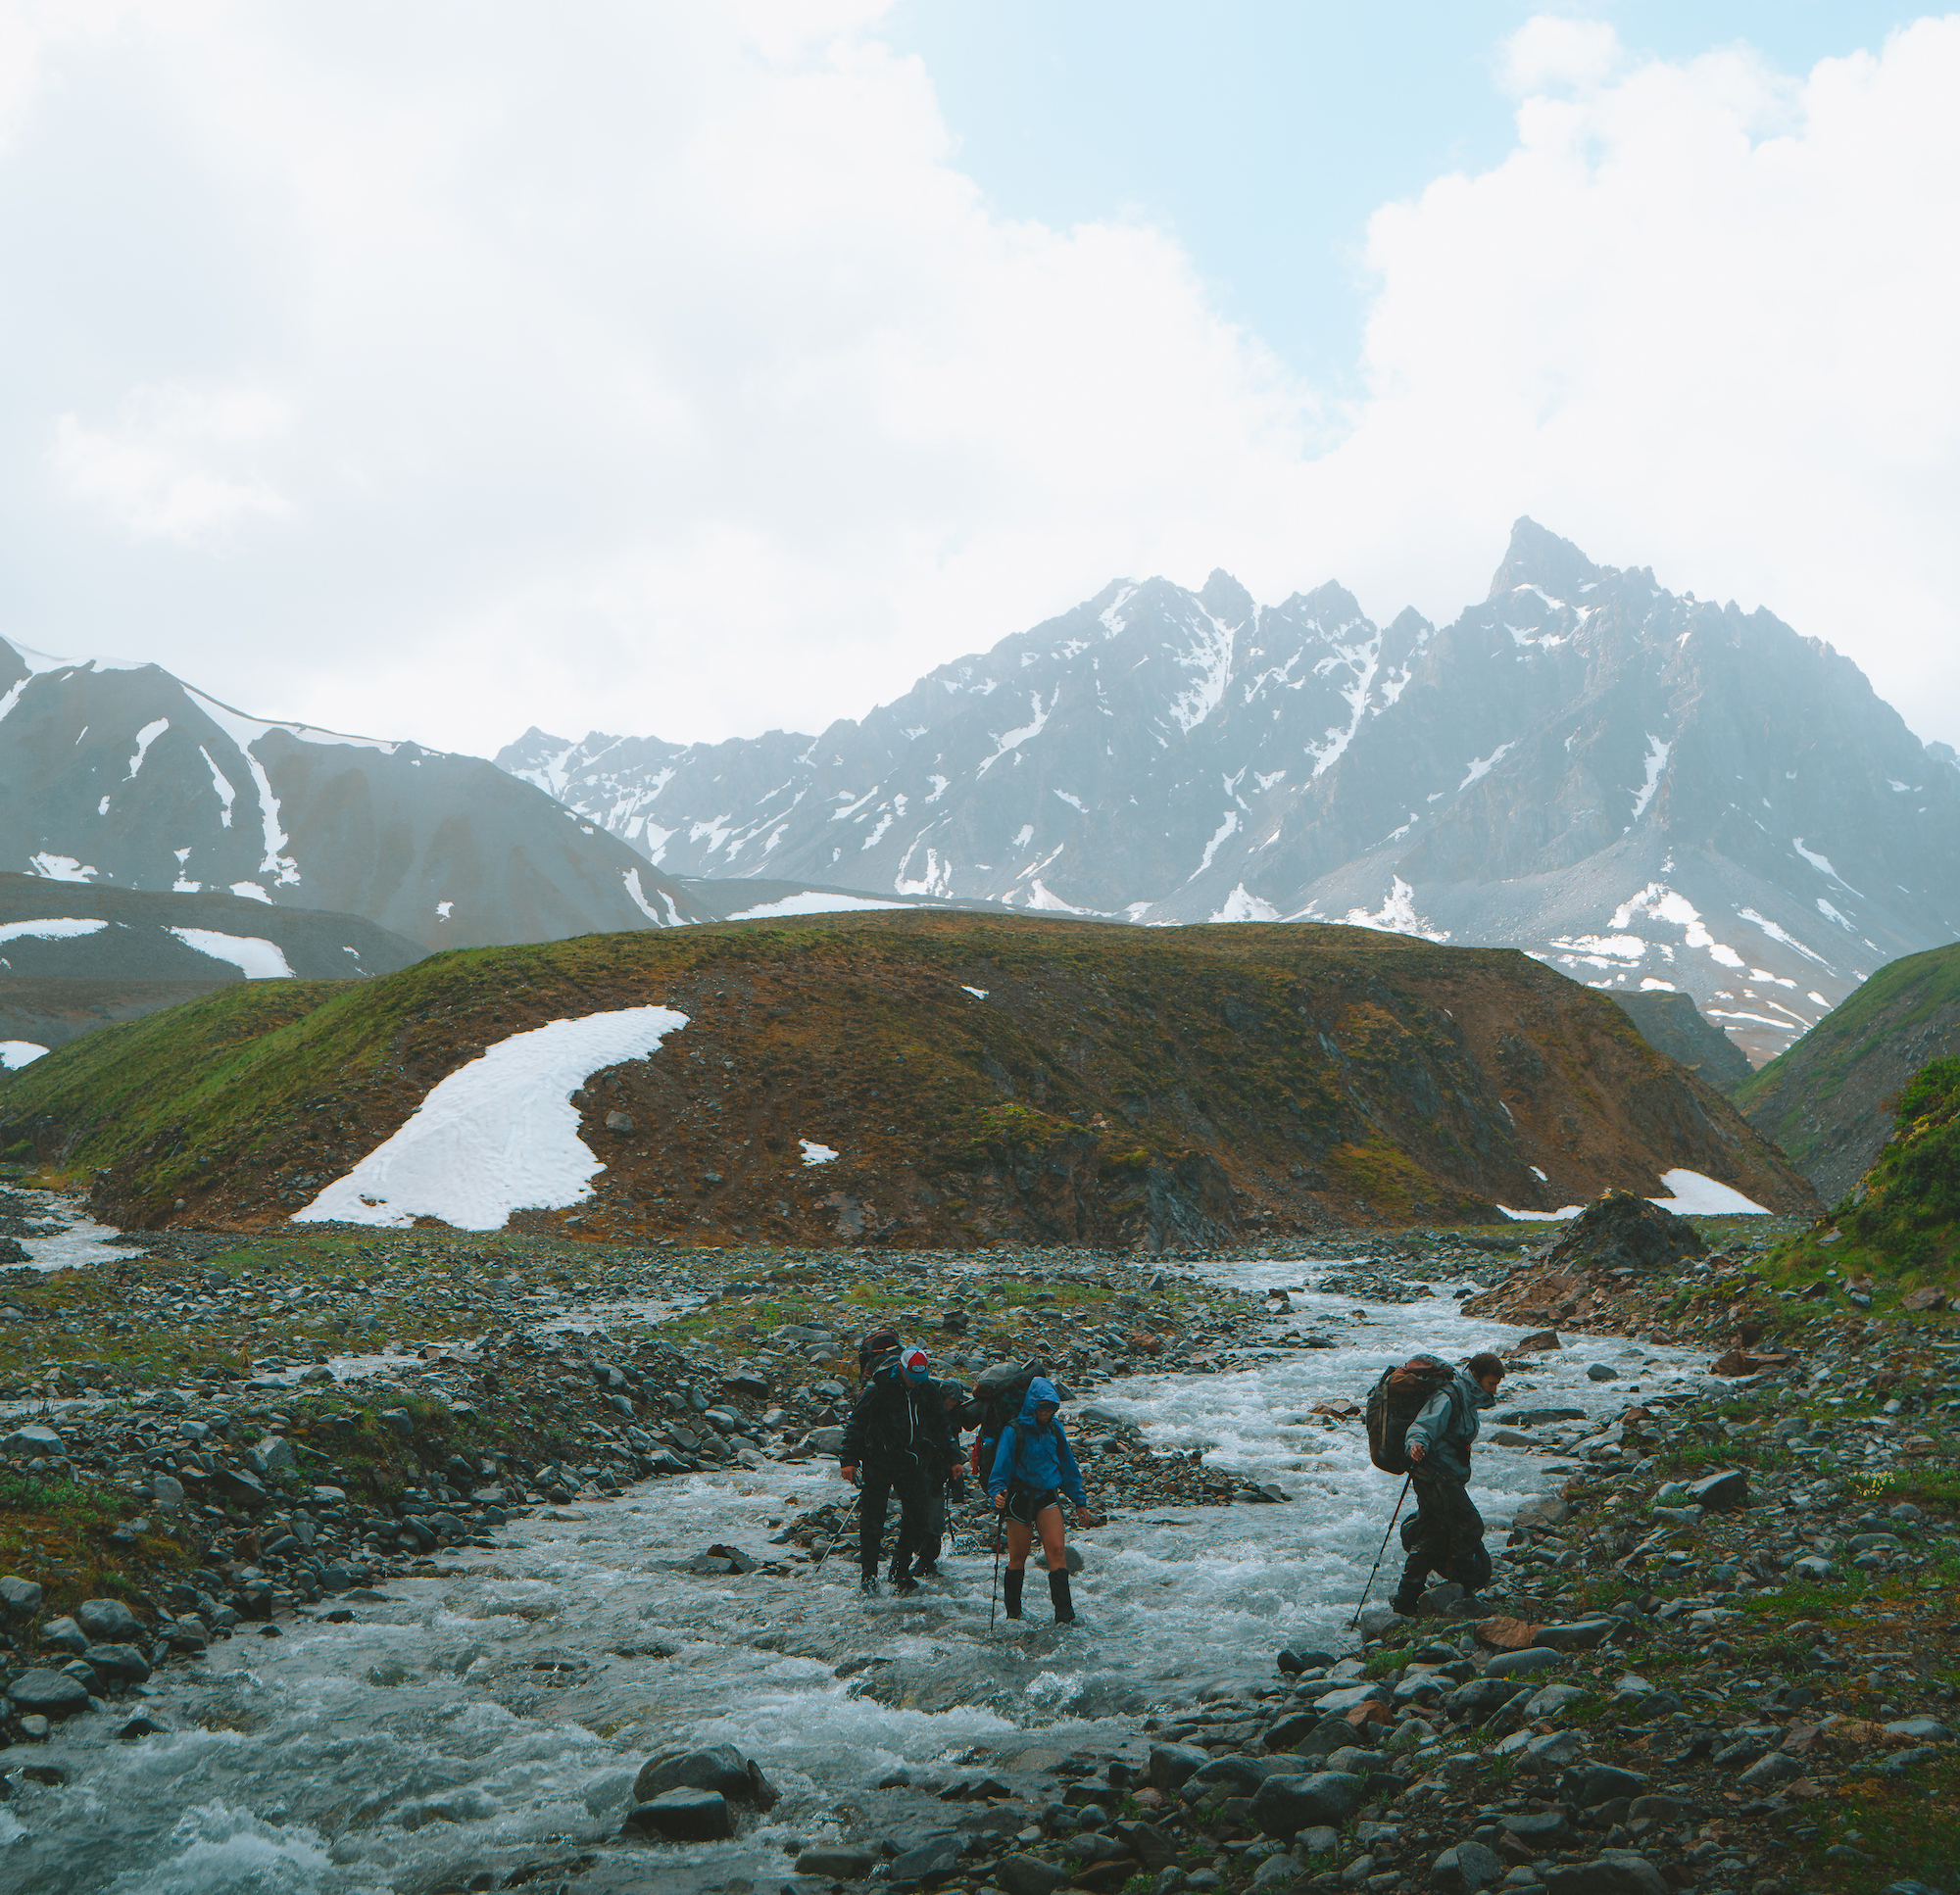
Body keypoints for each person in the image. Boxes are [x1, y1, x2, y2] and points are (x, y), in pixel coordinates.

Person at [840, 1342, 962, 1596]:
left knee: (917, 1516)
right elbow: (856, 1425)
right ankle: (869, 1576)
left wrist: (954, 1458)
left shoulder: (926, 1388)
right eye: (912, 1377)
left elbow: (942, 1425)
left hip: (911, 1461)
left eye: (920, 1377)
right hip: (878, 1461)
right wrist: (848, 1459)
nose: (915, 1382)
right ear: (901, 1368)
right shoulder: (877, 1390)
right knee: (873, 1520)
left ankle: (899, 1570)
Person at [1392, 1350, 1505, 1617]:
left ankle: (1406, 1600)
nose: (1494, 1389)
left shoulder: (1469, 1397)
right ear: (1475, 1376)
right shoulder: (1450, 1395)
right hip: (1434, 1475)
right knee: (1468, 1525)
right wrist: (1416, 1445)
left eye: (1497, 1384)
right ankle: (1462, 1593)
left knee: (1433, 1532)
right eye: (1491, 1383)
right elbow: (1421, 1426)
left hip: (1447, 1476)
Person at [988, 1375, 1093, 1625]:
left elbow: (1068, 1465)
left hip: (1047, 1497)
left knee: (1057, 1552)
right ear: (1033, 1405)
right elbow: (999, 1470)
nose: (1048, 1413)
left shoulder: (1054, 1428)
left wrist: (1080, 1501)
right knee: (1018, 1557)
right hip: (1019, 1500)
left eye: (1052, 1409)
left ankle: (1065, 1617)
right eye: (1044, 1408)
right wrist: (997, 1494)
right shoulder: (1013, 1431)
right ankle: (1014, 1615)